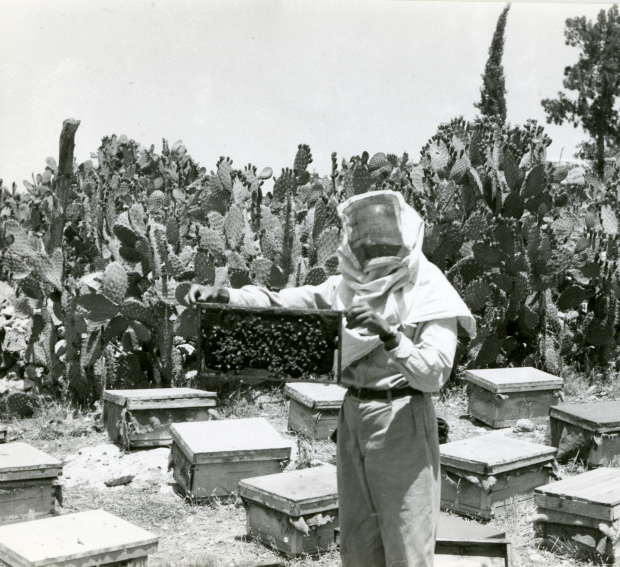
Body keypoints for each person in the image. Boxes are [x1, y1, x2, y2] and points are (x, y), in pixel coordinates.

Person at [186, 189, 475, 567]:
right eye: (365, 240)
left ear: (404, 238)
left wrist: (391, 335)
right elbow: (286, 302)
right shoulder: (345, 286)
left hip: (403, 417)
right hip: (353, 412)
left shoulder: (429, 290)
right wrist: (227, 296)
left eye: (382, 239)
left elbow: (434, 373)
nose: (372, 248)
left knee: (407, 539)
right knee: (357, 536)